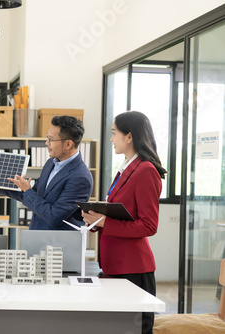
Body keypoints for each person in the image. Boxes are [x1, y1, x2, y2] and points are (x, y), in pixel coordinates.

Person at [82, 111, 166, 334]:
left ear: (129, 137)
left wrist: (104, 222)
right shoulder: (127, 167)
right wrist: (96, 220)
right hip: (115, 265)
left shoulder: (146, 170)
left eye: (114, 133)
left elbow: (149, 225)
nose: (111, 139)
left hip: (133, 269)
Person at [0, 115, 93, 230]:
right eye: (47, 137)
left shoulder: (80, 177)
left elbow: (54, 216)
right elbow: (33, 195)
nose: (46, 143)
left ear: (68, 144)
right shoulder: (51, 163)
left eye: (51, 139)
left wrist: (28, 190)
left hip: (59, 244)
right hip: (37, 237)